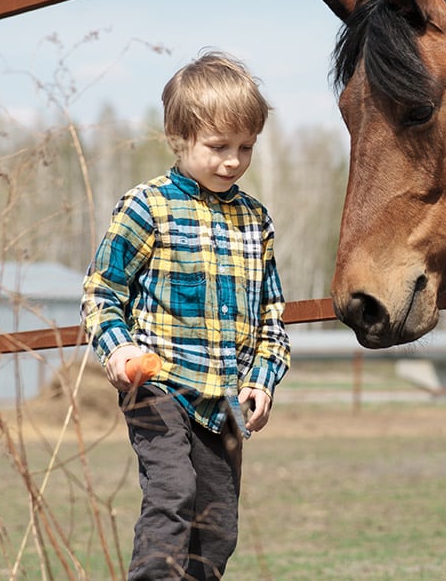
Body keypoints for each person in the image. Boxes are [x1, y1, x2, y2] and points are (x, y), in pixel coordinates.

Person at [81, 50, 291, 580]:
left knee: (218, 528)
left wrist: (262, 379)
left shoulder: (256, 220)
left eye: (246, 147)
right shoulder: (147, 206)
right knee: (173, 492)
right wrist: (118, 348)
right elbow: (102, 289)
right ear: (179, 138)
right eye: (218, 147)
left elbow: (271, 312)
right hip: (158, 384)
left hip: (225, 400)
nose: (233, 161)